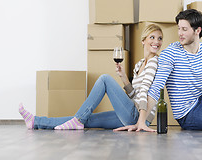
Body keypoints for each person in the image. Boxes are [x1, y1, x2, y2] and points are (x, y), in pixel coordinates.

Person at [19, 24, 163, 130]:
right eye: (152, 37)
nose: (156, 42)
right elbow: (134, 95)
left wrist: (141, 122)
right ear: (143, 40)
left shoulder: (153, 62)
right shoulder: (139, 65)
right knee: (87, 119)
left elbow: (145, 92)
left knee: (105, 79)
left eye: (160, 38)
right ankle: (36, 121)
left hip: (137, 117)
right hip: (131, 114)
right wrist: (124, 77)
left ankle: (78, 119)